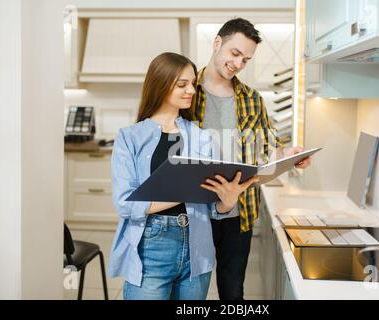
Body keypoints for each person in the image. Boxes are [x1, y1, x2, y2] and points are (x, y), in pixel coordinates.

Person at [107, 52, 258, 300]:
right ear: (161, 84)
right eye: (182, 84)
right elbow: (125, 203)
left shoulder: (201, 137)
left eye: (192, 84)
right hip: (150, 247)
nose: (191, 90)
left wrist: (227, 201)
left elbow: (211, 207)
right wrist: (185, 192)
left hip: (197, 249)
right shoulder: (129, 137)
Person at [193, 18, 312, 300]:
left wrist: (290, 154)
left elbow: (271, 145)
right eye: (235, 54)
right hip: (195, 213)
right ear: (217, 43)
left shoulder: (252, 98)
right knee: (191, 292)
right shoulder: (187, 90)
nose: (238, 64)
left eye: (245, 60)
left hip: (239, 214)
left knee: (233, 293)